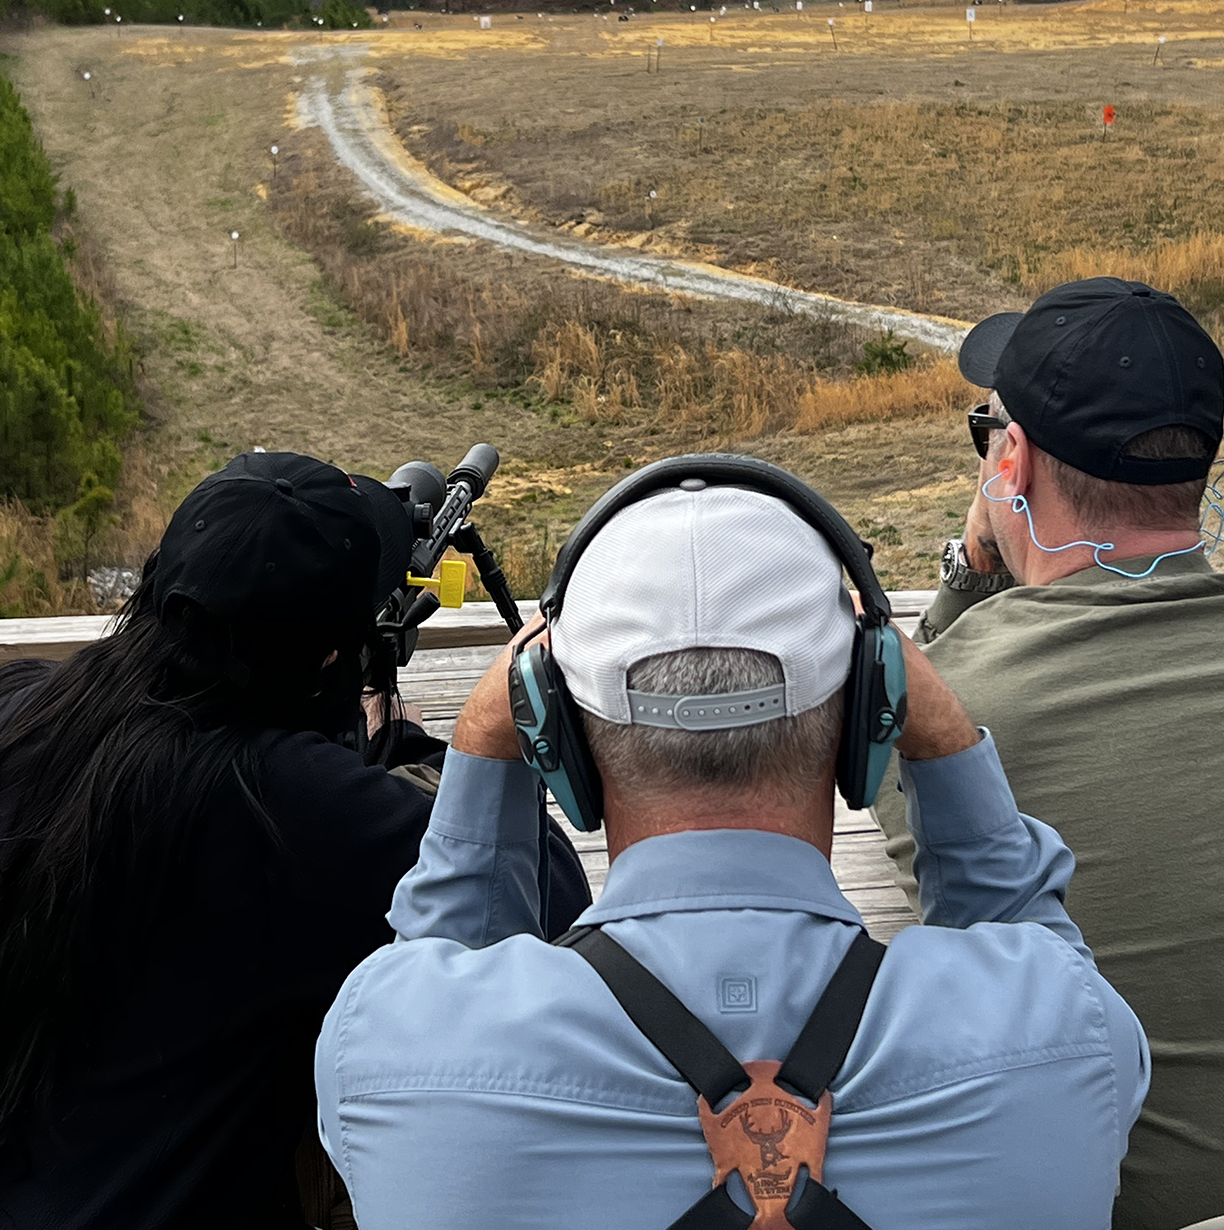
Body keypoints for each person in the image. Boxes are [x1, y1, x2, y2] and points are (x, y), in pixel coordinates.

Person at [316, 460, 1148, 1230]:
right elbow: (1030, 950)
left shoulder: (387, 1042)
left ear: (558, 741)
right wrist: (947, 737)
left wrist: (480, 744)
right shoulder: (1066, 1031)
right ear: (869, 718)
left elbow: (438, 980)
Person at [0, 451, 588, 1230]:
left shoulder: (29, 706)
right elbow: (546, 889)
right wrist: (398, 744)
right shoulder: (283, 811)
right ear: (326, 661)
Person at [872, 276, 1224, 1230]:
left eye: (987, 430)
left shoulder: (958, 712)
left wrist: (969, 567)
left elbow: (919, 692)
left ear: (1013, 461)